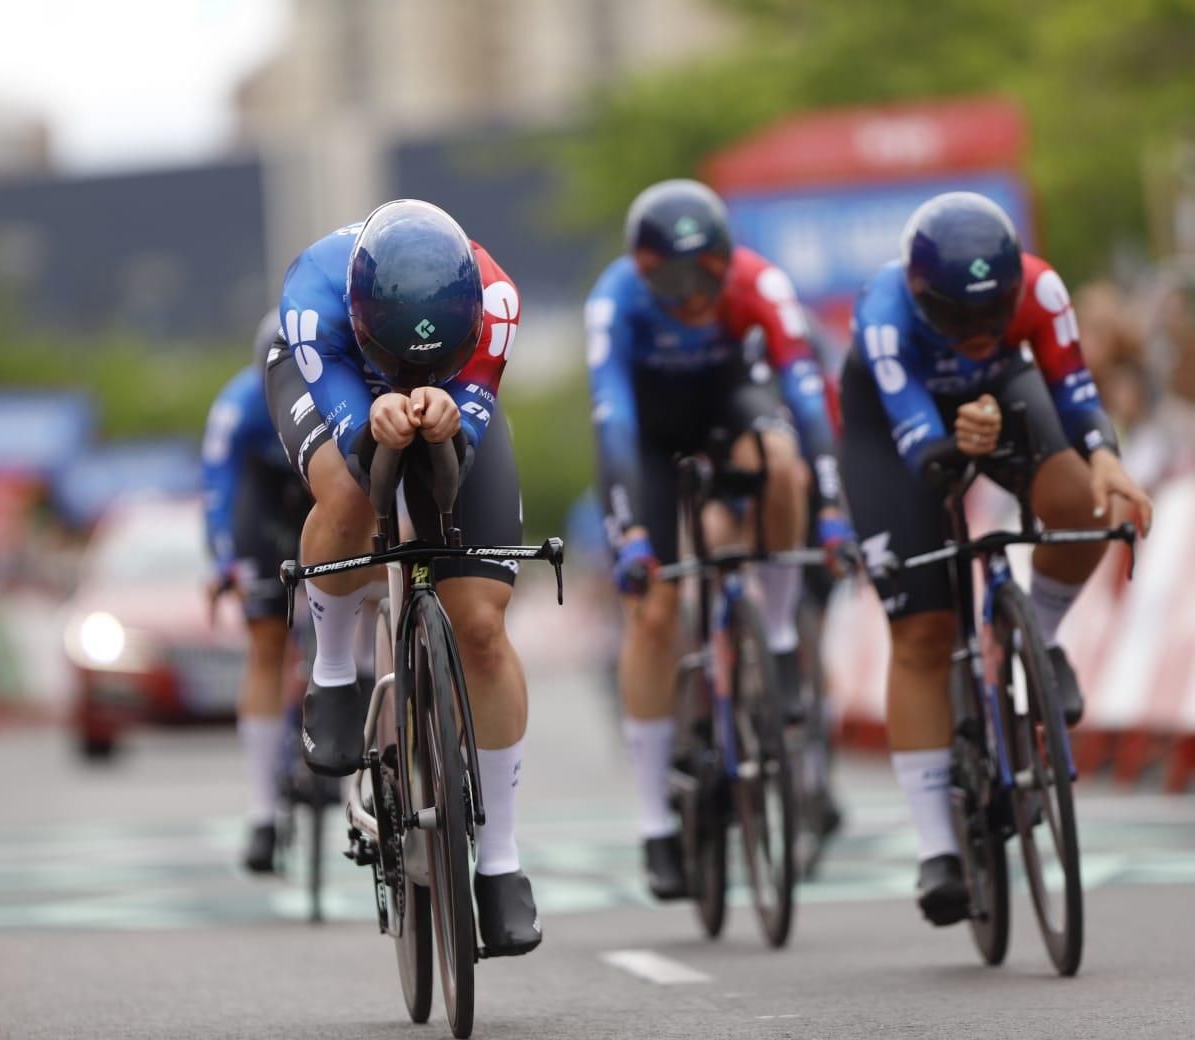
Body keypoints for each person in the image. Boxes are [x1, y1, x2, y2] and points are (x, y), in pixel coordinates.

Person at [838, 191, 1154, 926]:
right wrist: (957, 441)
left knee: (1079, 501)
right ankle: (937, 847)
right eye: (957, 318)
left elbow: (1074, 389)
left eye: (995, 315)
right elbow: (920, 442)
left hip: (1002, 397)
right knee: (921, 633)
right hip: (897, 434)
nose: (980, 333)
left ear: (1015, 287)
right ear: (921, 297)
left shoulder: (1041, 290)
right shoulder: (883, 313)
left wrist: (1105, 455)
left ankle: (1038, 637)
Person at [268, 198, 540, 955]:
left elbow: (453, 465)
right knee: (354, 494)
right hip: (338, 381)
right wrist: (371, 419)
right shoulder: (313, 298)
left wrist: (457, 413)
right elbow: (362, 450)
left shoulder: (498, 300)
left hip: (453, 395)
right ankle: (331, 671)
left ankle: (504, 864)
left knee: (481, 628)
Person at [585, 179, 849, 901]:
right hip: (649, 434)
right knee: (657, 613)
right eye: (672, 280)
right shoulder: (615, 304)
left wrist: (830, 509)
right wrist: (634, 535)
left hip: (730, 405)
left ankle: (778, 640)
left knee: (783, 467)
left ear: (727, 263)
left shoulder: (760, 283)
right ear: (643, 272)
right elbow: (613, 424)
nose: (694, 295)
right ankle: (655, 826)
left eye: (707, 275)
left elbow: (803, 392)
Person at [201, 314, 314, 874]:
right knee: (267, 641)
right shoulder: (238, 405)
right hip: (264, 505)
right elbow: (217, 484)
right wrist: (224, 560)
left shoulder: (334, 390)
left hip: (324, 493)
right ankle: (262, 814)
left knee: (357, 598)